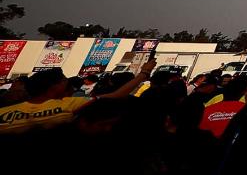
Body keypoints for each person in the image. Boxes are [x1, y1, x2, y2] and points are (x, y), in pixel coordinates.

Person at [0, 60, 151, 133]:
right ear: (55, 86)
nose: (69, 84)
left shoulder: (5, 113)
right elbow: (115, 96)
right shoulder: (71, 104)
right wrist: (143, 73)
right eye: (64, 80)